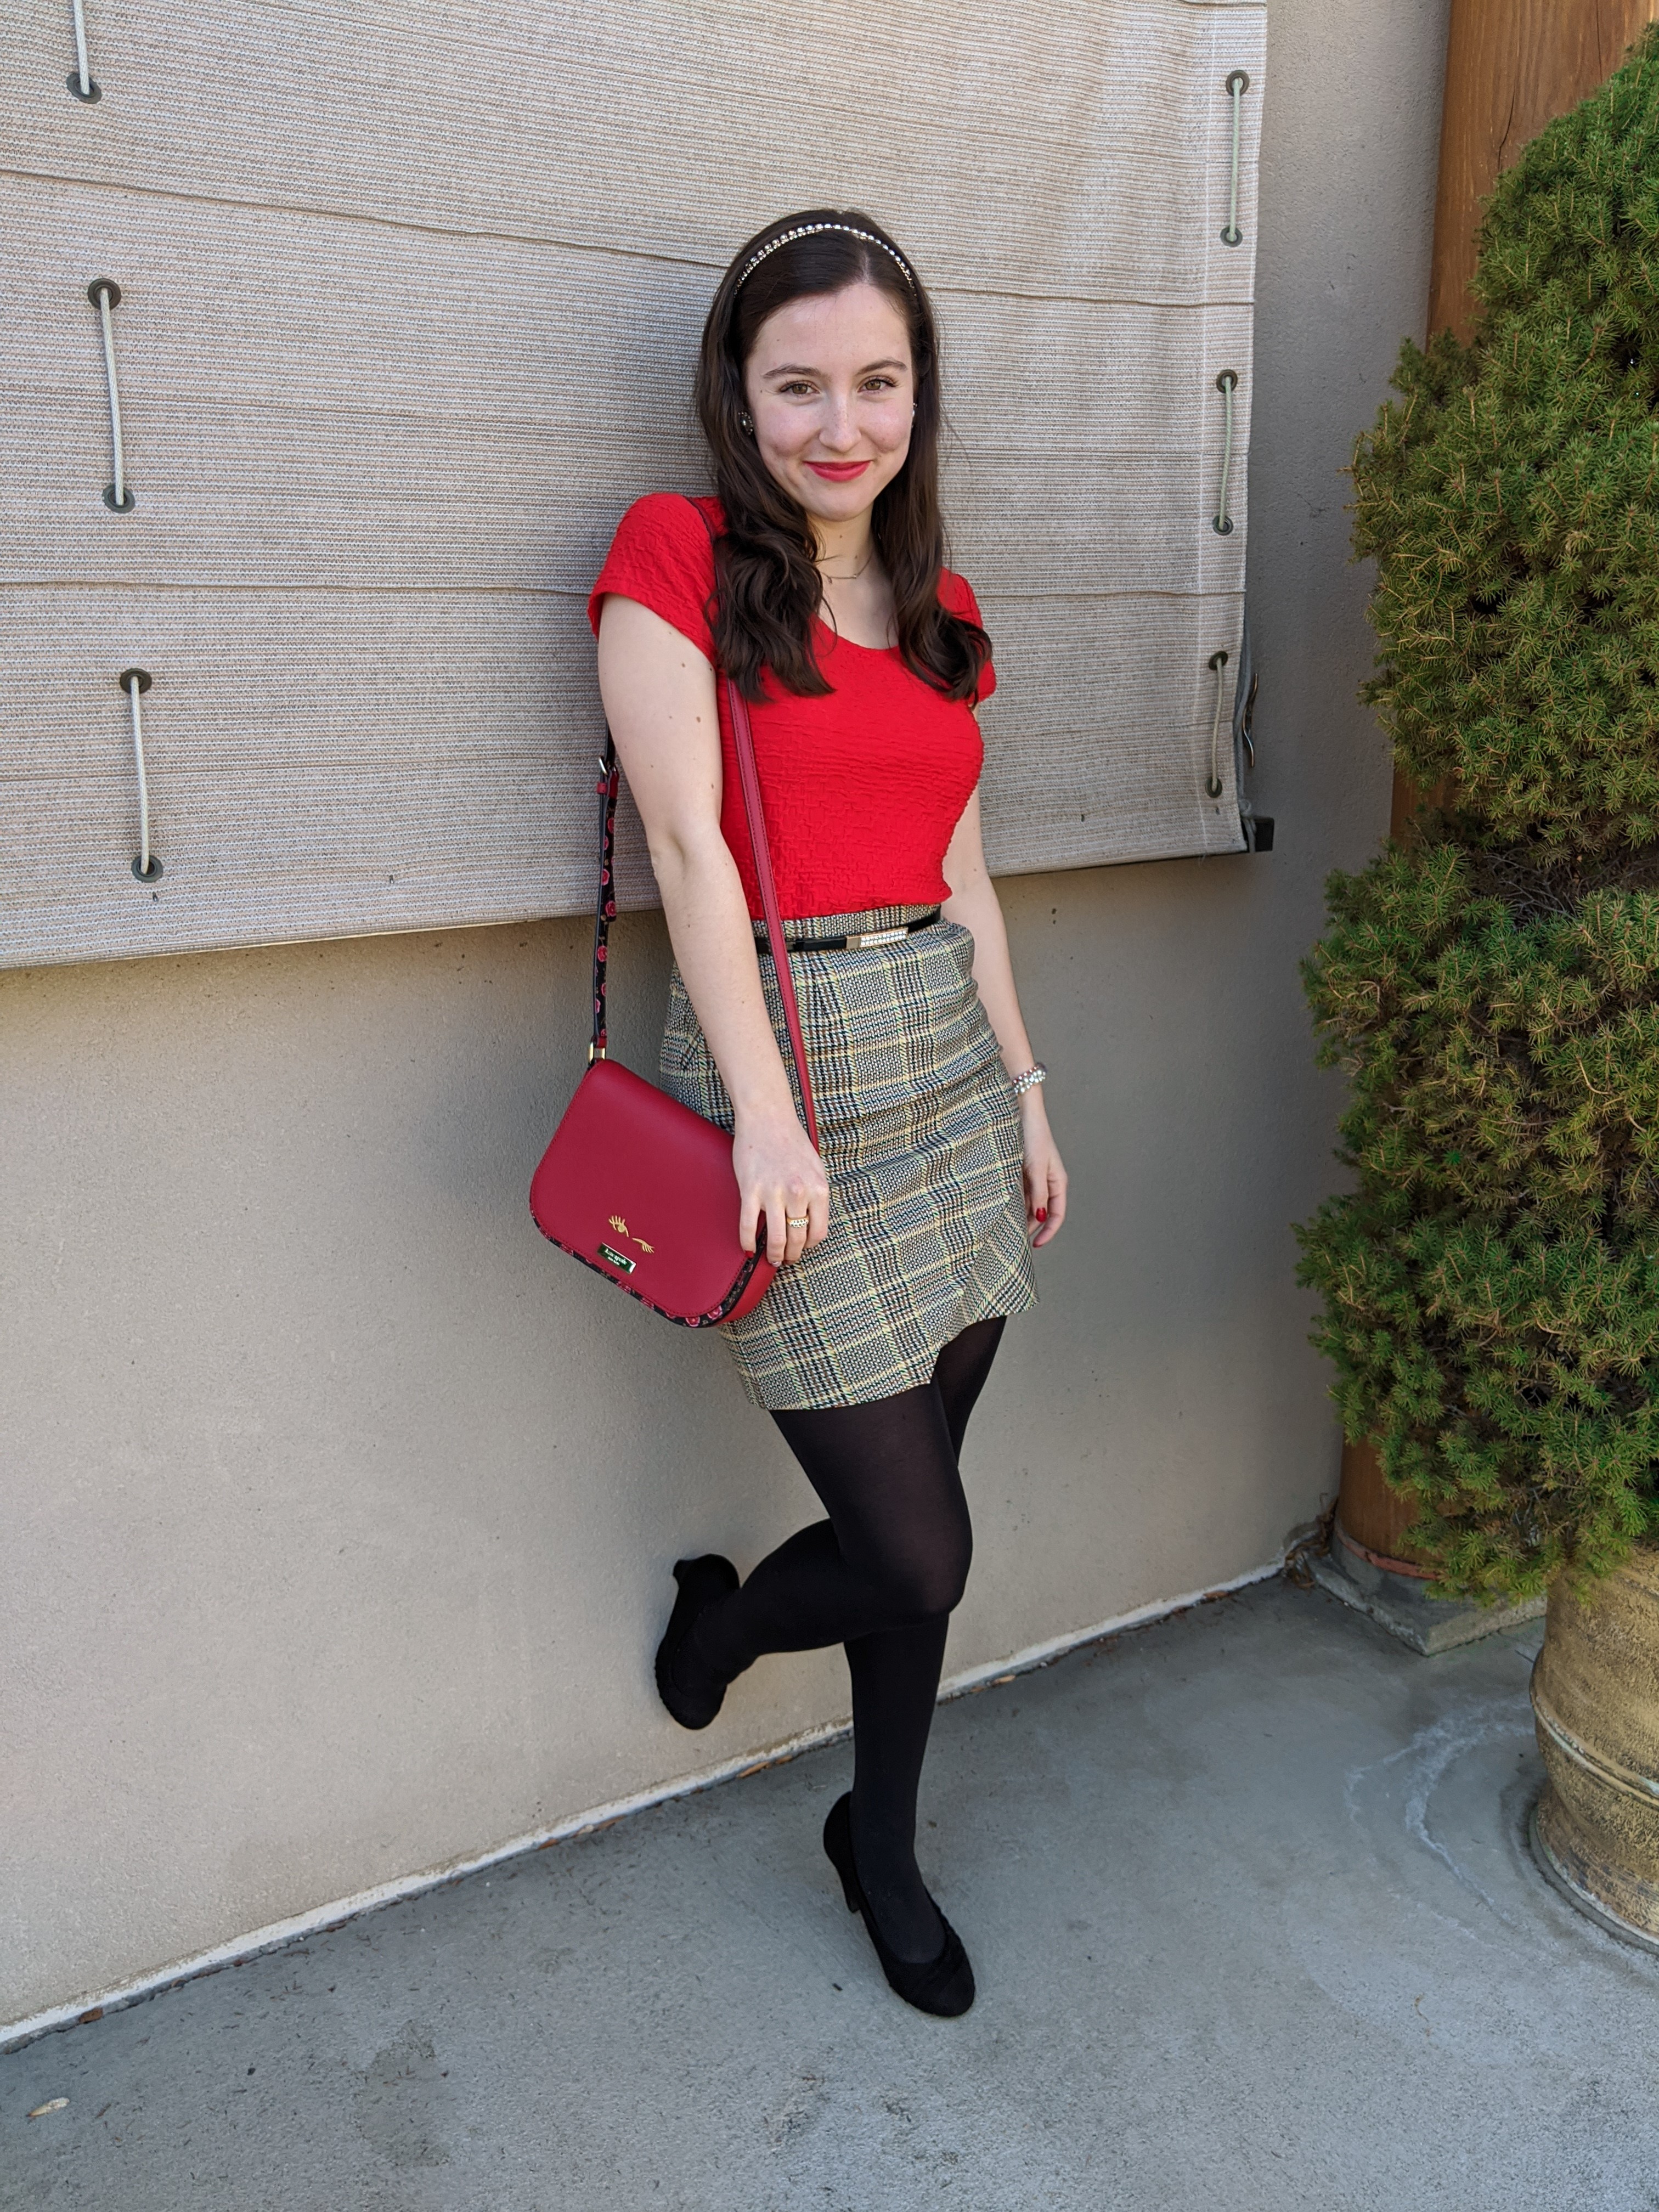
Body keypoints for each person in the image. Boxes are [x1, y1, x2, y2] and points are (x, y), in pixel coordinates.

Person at [588, 209, 1066, 2017]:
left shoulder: (944, 613)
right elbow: (695, 854)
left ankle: (879, 1843)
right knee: (915, 1544)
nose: (839, 424)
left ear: (920, 394)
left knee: (913, 1517)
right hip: (787, 1064)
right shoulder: (678, 559)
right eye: (799, 385)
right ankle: (723, 1630)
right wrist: (767, 1123)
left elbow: (972, 881)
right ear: (741, 391)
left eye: (876, 382)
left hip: (944, 1073)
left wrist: (1026, 1093)